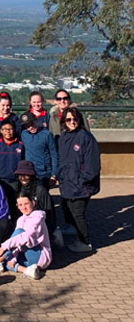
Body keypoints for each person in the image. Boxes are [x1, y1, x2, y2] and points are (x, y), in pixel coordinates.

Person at [56, 107, 100, 253]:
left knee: (78, 213)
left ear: (79, 120)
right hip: (67, 183)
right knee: (69, 211)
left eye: (75, 119)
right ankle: (77, 236)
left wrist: (82, 180)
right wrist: (59, 176)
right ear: (64, 121)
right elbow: (62, 161)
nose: (72, 122)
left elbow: (93, 165)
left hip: (81, 185)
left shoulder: (86, 138)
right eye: (68, 119)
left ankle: (85, 242)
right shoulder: (63, 138)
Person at [0, 193, 52, 280]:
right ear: (17, 206)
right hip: (26, 258)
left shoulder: (37, 217)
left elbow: (26, 237)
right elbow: (17, 244)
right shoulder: (21, 219)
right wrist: (12, 259)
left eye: (26, 204)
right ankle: (27, 270)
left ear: (33, 203)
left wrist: (3, 248)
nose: (24, 207)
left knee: (19, 232)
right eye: (20, 205)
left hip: (39, 258)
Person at [11, 160, 61, 248]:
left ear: (32, 175)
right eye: (20, 175)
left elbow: (49, 214)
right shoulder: (17, 189)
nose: (23, 178)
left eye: (26, 175)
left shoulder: (40, 190)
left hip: (39, 226)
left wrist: (48, 232)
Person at [19, 111, 58, 188]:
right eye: (27, 126)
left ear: (36, 120)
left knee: (43, 195)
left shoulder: (46, 134)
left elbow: (54, 155)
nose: (30, 127)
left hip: (44, 173)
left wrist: (54, 174)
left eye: (32, 124)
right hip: (29, 172)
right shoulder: (24, 134)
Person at [0, 118, 25, 185]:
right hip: (0, 180)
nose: (8, 131)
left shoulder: (20, 145)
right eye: (5, 129)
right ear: (1, 130)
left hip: (15, 181)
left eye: (10, 129)